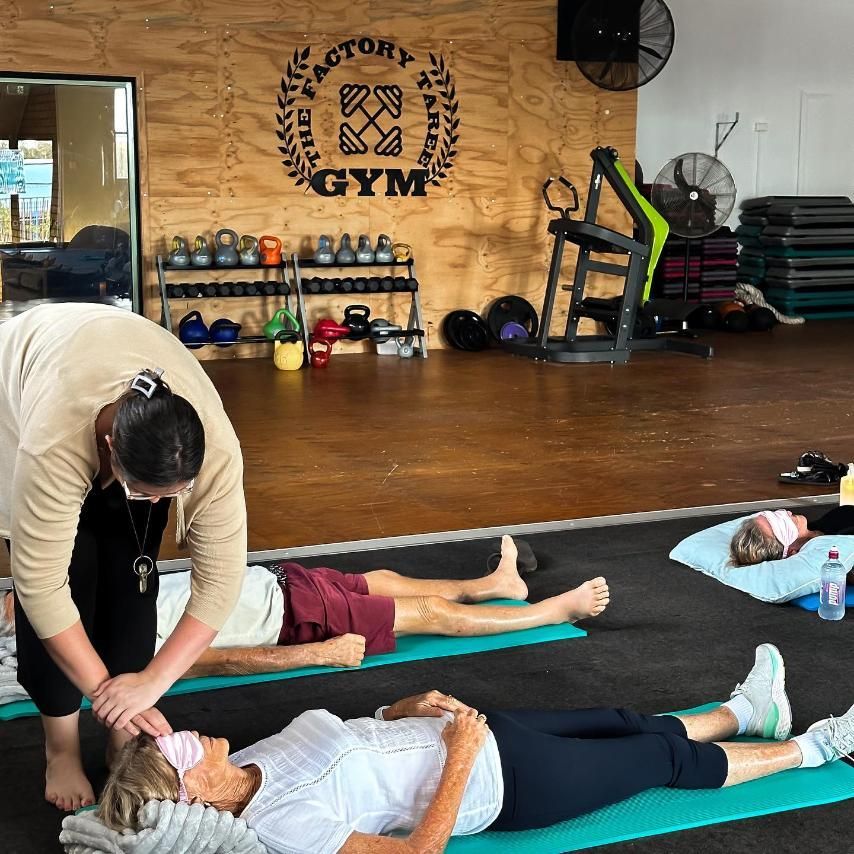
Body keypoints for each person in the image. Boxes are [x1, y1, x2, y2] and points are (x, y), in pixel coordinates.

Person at [98, 643, 854, 853]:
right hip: (506, 785)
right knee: (660, 760)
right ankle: (819, 749)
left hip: (472, 729)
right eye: (176, 752)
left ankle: (744, 709)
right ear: (192, 797)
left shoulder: (255, 757)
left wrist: (405, 706)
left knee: (628, 719)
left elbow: (359, 735)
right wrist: (460, 753)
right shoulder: (279, 825)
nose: (183, 735)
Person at [0, 304, 248, 812]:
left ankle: (121, 742)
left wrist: (151, 683)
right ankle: (61, 748)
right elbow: (40, 587)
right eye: (148, 492)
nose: (160, 503)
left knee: (132, 576)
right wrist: (103, 692)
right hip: (21, 393)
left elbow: (221, 580)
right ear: (111, 448)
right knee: (72, 572)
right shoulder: (54, 441)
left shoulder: (211, 447)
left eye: (172, 494)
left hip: (123, 396)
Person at [1, 537, 610, 677]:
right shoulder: (101, 649)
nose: (8, 602)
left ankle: (493, 585)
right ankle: (555, 612)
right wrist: (315, 653)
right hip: (289, 619)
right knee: (427, 612)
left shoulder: (68, 595)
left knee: (381, 577)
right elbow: (212, 661)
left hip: (274, 580)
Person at [730, 507, 854, 566]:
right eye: (781, 524)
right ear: (790, 552)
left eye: (774, 514)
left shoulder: (837, 516)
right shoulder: (844, 551)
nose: (787, 513)